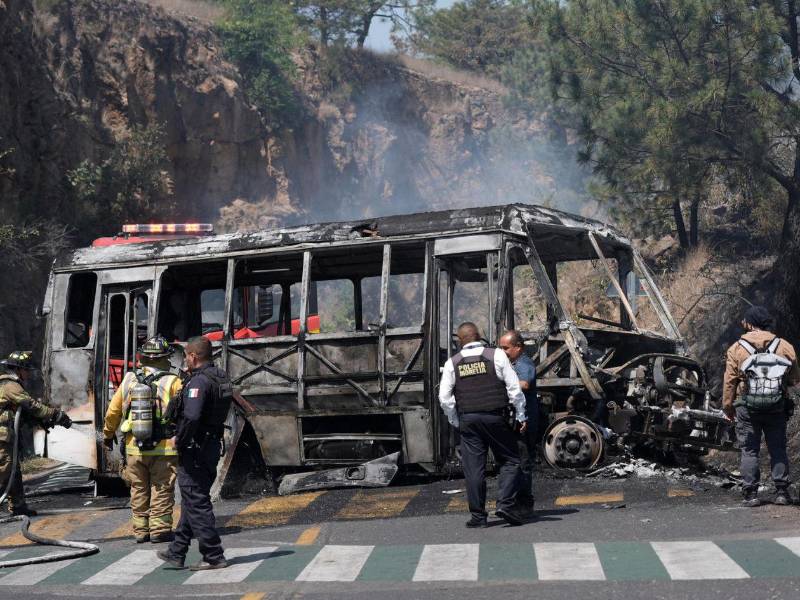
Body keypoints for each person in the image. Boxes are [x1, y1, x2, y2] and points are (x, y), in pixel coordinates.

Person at [439, 322, 527, 528]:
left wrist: (455, 420)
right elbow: (514, 389)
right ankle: (505, 503)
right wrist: (521, 416)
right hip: (496, 418)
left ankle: (478, 517)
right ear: (479, 336)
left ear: (460, 340)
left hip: (468, 420)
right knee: (511, 460)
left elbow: (444, 398)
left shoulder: (453, 362)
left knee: (474, 469)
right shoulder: (496, 355)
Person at [158, 336, 232, 571]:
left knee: (197, 501)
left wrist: (180, 440)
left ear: (193, 356)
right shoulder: (220, 377)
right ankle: (177, 551)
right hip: (210, 447)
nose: (185, 361)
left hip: (196, 450)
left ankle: (213, 554)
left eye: (187, 356)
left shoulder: (199, 382)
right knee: (193, 499)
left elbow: (191, 417)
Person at [102, 336, 182, 543]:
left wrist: (108, 435)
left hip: (133, 447)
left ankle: (140, 531)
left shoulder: (129, 379)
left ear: (143, 357)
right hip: (164, 449)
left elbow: (113, 411)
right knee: (162, 488)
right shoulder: (174, 381)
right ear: (166, 358)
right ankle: (160, 530)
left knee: (138, 489)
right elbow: (183, 413)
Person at [722, 306, 800, 507]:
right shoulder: (785, 346)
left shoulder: (736, 348)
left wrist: (728, 407)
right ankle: (782, 492)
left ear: (749, 323)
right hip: (776, 406)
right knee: (778, 448)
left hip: (747, 408)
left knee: (750, 450)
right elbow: (794, 378)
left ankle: (751, 494)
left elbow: (730, 381)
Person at [0, 351, 72, 516]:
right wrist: (55, 414)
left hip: (7, 436)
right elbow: (31, 405)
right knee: (4, 470)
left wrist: (42, 421)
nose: (28, 374)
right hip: (2, 437)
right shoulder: (10, 385)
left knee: (13, 471)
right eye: (26, 370)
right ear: (19, 369)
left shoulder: (11, 385)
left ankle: (18, 506)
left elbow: (23, 413)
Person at [498, 330, 537, 515]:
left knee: (523, 463)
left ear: (518, 347)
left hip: (525, 421)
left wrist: (502, 383)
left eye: (506, 348)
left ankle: (525, 504)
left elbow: (525, 383)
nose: (502, 351)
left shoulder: (524, 362)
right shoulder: (512, 363)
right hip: (517, 420)